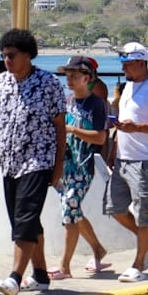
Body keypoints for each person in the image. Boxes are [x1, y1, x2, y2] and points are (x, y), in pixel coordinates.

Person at [0, 29, 66, 295]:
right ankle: (40, 275)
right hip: (9, 162)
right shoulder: (0, 82)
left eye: (12, 55)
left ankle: (14, 277)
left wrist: (58, 165)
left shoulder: (48, 83)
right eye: (4, 56)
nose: (7, 60)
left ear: (27, 54)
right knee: (24, 219)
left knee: (24, 218)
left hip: (38, 161)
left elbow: (60, 126)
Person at [106, 42, 148, 282]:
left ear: (141, 62)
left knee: (144, 213)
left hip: (144, 162)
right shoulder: (128, 87)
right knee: (114, 208)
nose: (124, 68)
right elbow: (126, 121)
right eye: (123, 64)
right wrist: (115, 149)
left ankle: (138, 264)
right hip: (123, 160)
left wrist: (138, 128)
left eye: (128, 64)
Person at [48, 56, 111, 279]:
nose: (70, 81)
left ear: (86, 78)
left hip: (82, 167)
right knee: (72, 211)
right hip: (64, 166)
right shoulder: (66, 101)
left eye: (74, 77)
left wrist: (71, 130)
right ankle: (97, 249)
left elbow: (100, 138)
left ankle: (65, 266)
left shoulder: (97, 105)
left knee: (69, 210)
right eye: (68, 76)